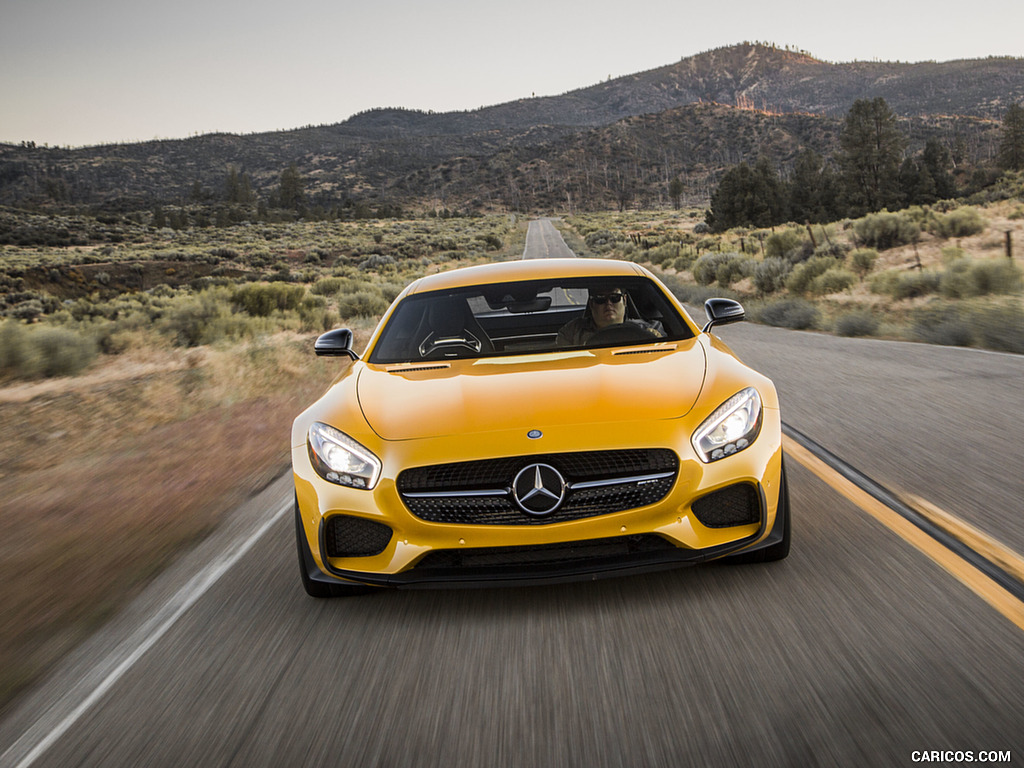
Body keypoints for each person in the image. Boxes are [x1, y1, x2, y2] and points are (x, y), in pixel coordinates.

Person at [556, 288, 663, 347]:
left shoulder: (651, 331)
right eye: (600, 299)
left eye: (614, 298)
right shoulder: (572, 332)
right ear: (592, 304)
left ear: (624, 300)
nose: (608, 303)